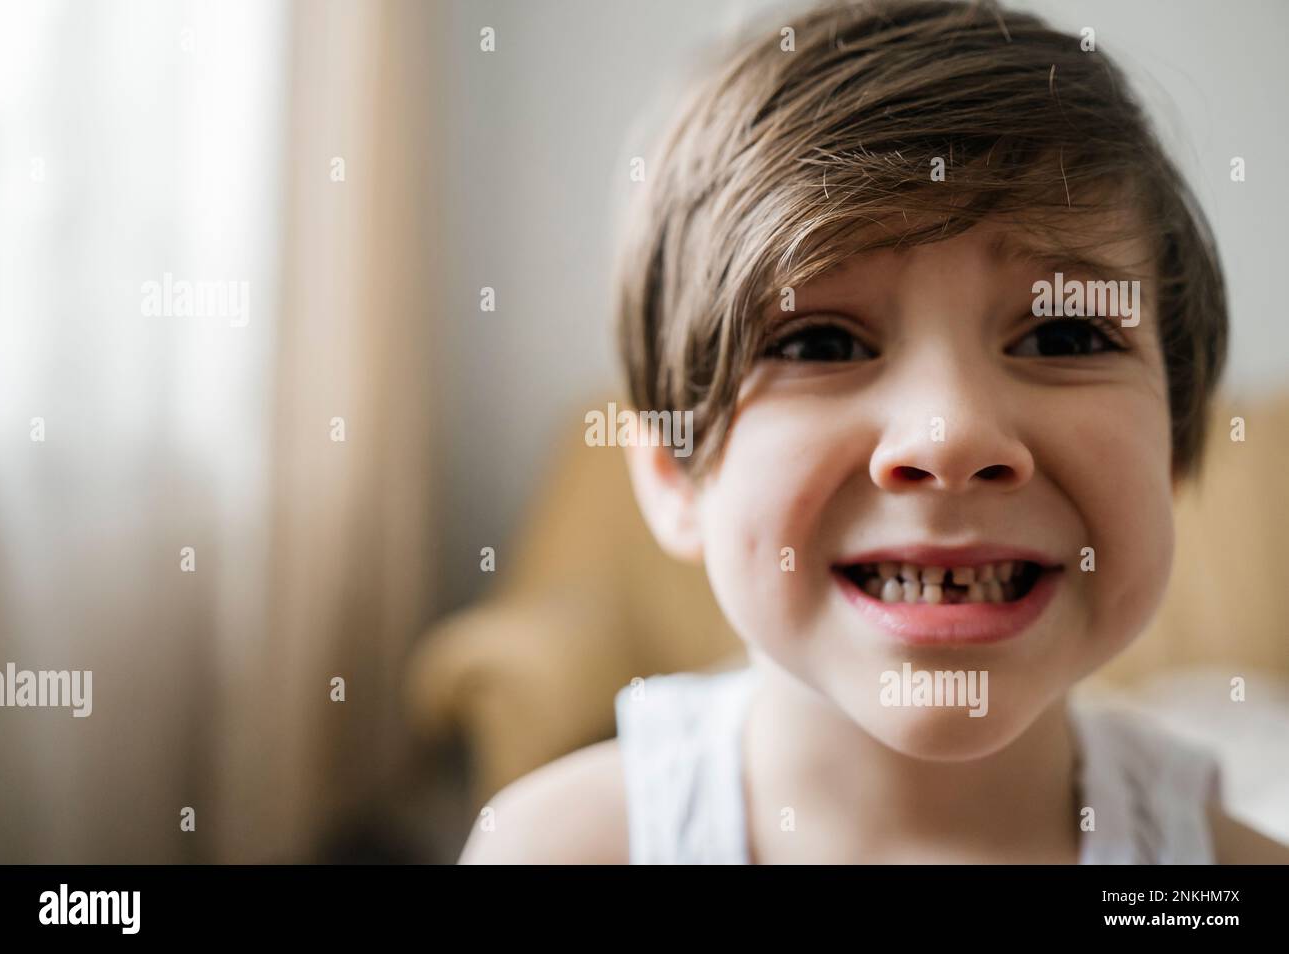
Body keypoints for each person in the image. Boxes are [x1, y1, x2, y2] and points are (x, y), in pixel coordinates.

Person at [460, 0, 1289, 864]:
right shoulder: (563, 849)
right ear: (675, 469)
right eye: (820, 342)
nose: (950, 436)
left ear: (1176, 450)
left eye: (1064, 336)